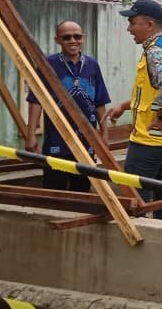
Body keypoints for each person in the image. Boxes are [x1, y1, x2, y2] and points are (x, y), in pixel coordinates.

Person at [105, 0, 162, 220]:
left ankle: (138, 234)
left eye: (133, 23)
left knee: (135, 194)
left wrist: (161, 117)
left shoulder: (155, 51)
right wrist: (125, 106)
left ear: (149, 24)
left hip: (152, 138)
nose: (129, 28)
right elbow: (153, 90)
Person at [25, 20, 110, 192]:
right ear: (57, 40)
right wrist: (31, 134)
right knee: (54, 189)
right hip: (56, 139)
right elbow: (36, 100)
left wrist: (105, 133)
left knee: (82, 189)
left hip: (86, 140)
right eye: (66, 37)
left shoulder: (92, 64)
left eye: (77, 37)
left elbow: (99, 100)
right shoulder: (48, 64)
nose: (72, 41)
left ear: (83, 38)